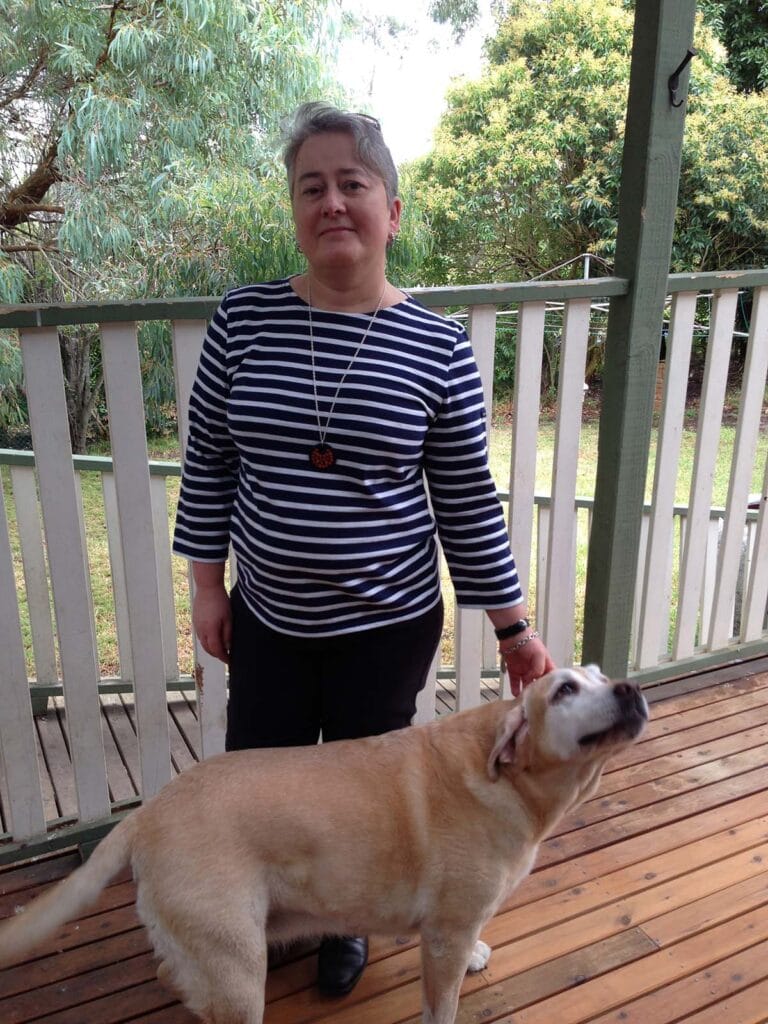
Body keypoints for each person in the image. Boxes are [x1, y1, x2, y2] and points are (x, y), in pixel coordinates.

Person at [172, 101, 555, 996]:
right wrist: (206, 588)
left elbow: (465, 501)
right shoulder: (243, 321)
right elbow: (210, 467)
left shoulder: (437, 345)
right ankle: (255, 919)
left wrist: (514, 628)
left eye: (354, 183)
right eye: (313, 187)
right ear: (295, 211)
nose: (333, 202)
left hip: (385, 625)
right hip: (267, 616)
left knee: (367, 801)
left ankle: (348, 927)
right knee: (263, 781)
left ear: (392, 208)